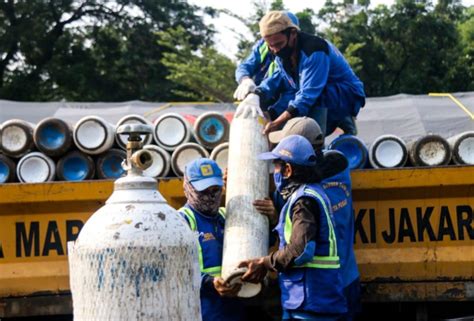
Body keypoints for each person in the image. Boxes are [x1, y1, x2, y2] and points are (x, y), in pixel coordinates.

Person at [239, 135, 347, 321]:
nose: (275, 172)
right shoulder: (308, 194)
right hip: (308, 298)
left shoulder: (303, 201)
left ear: (288, 170)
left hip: (312, 300)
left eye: (277, 166)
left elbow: (300, 249)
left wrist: (265, 263)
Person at [267, 117, 361, 321]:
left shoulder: (307, 195)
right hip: (344, 278)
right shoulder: (340, 168)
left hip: (321, 289)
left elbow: (302, 242)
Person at [247, 11, 365, 136]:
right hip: (316, 91)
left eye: (279, 44)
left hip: (345, 94)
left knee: (306, 124)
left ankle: (318, 143)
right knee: (281, 106)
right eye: (271, 46)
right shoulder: (283, 52)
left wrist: (276, 123)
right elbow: (277, 78)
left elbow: (308, 95)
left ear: (292, 33)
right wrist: (256, 94)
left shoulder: (314, 51)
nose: (275, 50)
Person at [178, 158, 244, 321]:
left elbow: (259, 242)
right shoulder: (180, 221)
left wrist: (270, 218)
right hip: (201, 310)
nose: (210, 196)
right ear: (188, 187)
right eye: (203, 190)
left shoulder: (227, 216)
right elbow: (175, 269)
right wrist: (209, 281)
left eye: (215, 189)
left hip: (233, 309)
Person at [234, 12, 300, 120]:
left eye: (278, 42)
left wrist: (271, 114)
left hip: (282, 106)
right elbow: (246, 66)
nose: (274, 47)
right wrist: (245, 79)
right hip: (258, 97)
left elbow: (292, 91)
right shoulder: (263, 46)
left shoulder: (297, 56)